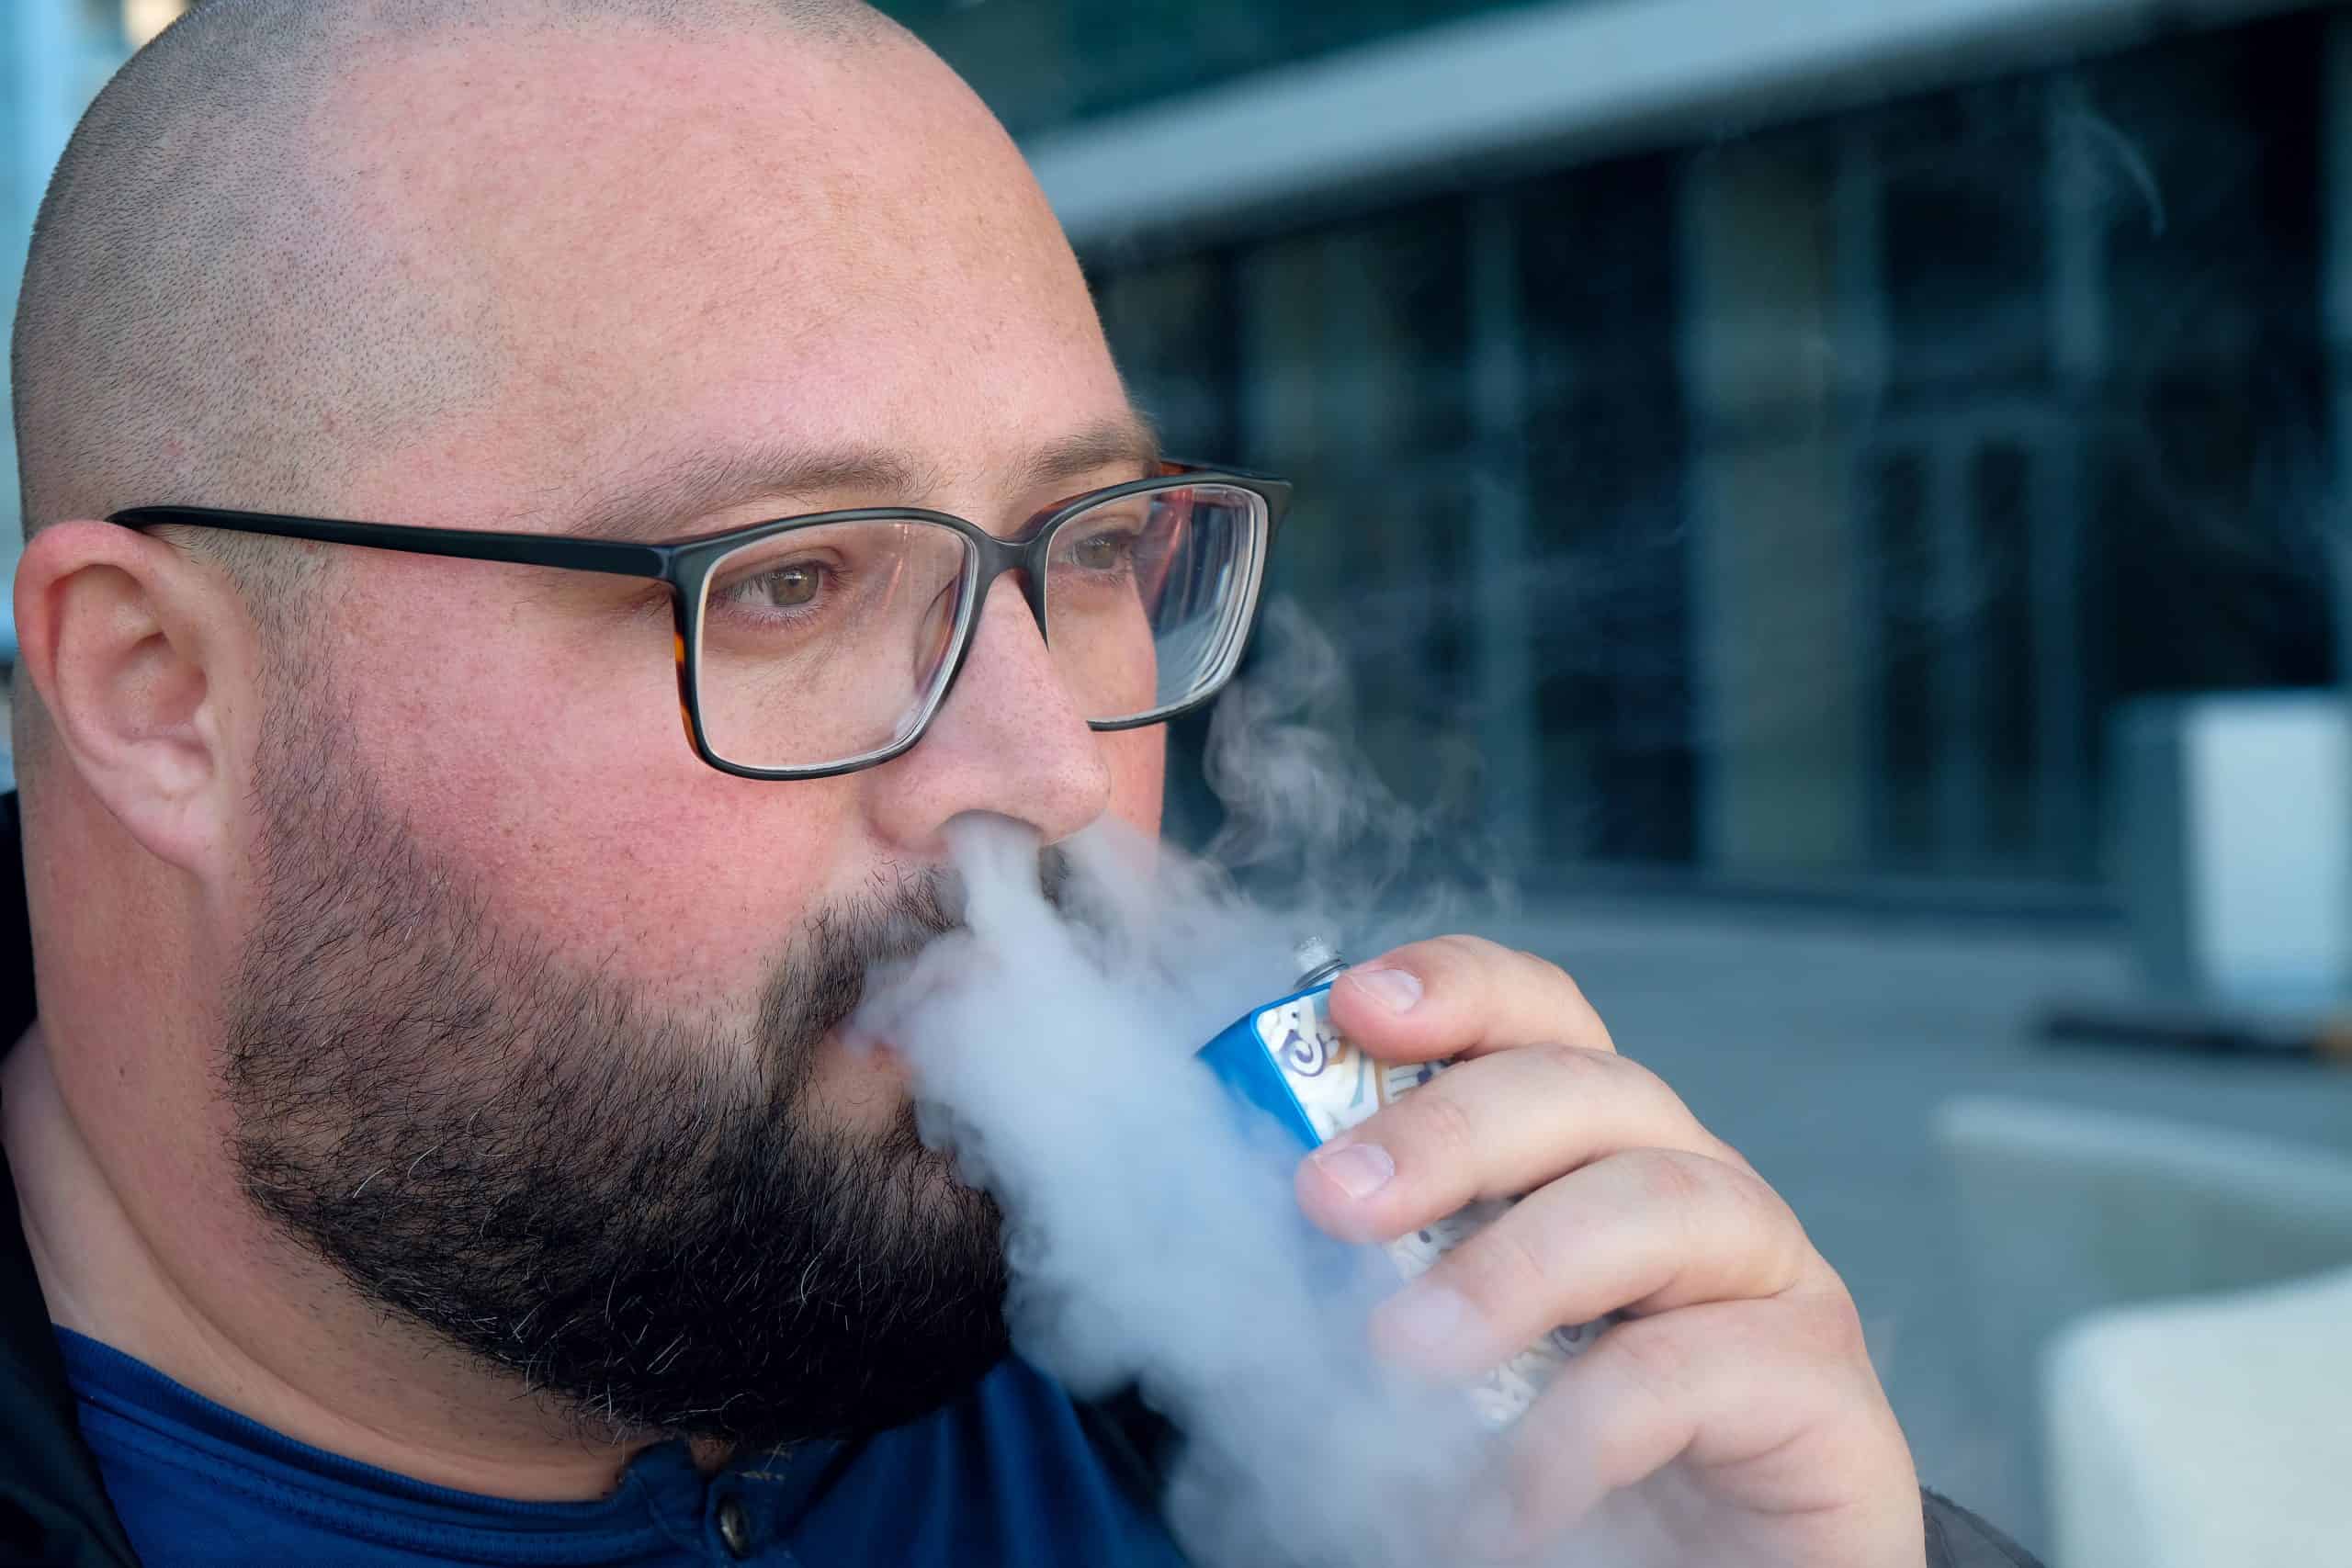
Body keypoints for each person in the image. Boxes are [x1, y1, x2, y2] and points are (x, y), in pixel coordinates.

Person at [0, 3, 2040, 1564]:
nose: (1047, 774)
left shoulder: (1346, 1399)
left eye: (1082, 552)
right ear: (162, 689)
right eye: (785, 581)